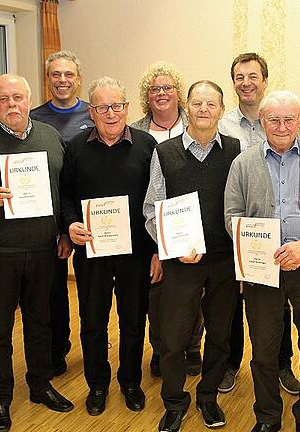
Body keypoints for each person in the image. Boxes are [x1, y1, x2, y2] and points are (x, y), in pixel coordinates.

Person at [0, 74, 74, 432]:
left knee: (41, 321)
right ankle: (0, 398)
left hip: (41, 248)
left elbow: (62, 189)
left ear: (29, 98)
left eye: (18, 97)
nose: (12, 105)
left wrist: (64, 230)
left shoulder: (50, 137)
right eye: (3, 99)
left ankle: (39, 385)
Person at [225, 90, 300, 432]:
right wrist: (262, 248)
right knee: (263, 353)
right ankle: (267, 418)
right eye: (273, 119)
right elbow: (231, 216)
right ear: (262, 121)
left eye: (288, 119)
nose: (281, 126)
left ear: (299, 121)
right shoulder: (243, 163)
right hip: (264, 271)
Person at [61, 76, 161, 416]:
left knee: (134, 320)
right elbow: (65, 197)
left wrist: (158, 251)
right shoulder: (74, 148)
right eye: (103, 107)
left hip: (137, 253)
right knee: (92, 320)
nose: (111, 113)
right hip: (92, 253)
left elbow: (158, 201)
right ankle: (98, 384)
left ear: (127, 108)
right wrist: (70, 223)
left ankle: (130, 381)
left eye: (117, 105)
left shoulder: (148, 146)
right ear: (91, 111)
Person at [144, 81, 241, 432]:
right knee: (172, 337)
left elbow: (243, 205)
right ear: (187, 106)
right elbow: (151, 211)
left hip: (223, 260)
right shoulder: (165, 152)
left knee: (219, 335)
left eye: (211, 104)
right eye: (197, 103)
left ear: (220, 109)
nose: (203, 109)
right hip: (181, 261)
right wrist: (170, 245)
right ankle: (174, 402)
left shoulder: (235, 150)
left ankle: (208, 397)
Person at [218, 52, 300, 396]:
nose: (246, 82)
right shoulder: (223, 124)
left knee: (277, 303)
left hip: (278, 235)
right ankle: (231, 364)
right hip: (237, 231)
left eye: (253, 76)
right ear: (233, 82)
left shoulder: (282, 116)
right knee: (233, 302)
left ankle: (283, 364)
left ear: (264, 80)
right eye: (239, 76)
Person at [129, 62, 202, 377]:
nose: (161, 94)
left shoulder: (195, 124)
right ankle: (160, 349)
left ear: (178, 94)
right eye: (155, 89)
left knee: (194, 289)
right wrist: (159, 243)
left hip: (191, 221)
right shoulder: (135, 131)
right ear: (147, 96)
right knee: (157, 292)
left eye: (168, 88)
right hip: (150, 223)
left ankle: (192, 348)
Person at [30, 50, 94, 375]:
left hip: (93, 219)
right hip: (49, 218)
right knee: (52, 290)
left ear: (78, 79)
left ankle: (94, 347)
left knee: (88, 291)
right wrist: (61, 228)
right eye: (56, 74)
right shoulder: (34, 118)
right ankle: (58, 349)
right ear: (48, 78)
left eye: (69, 74)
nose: (63, 80)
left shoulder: (94, 113)